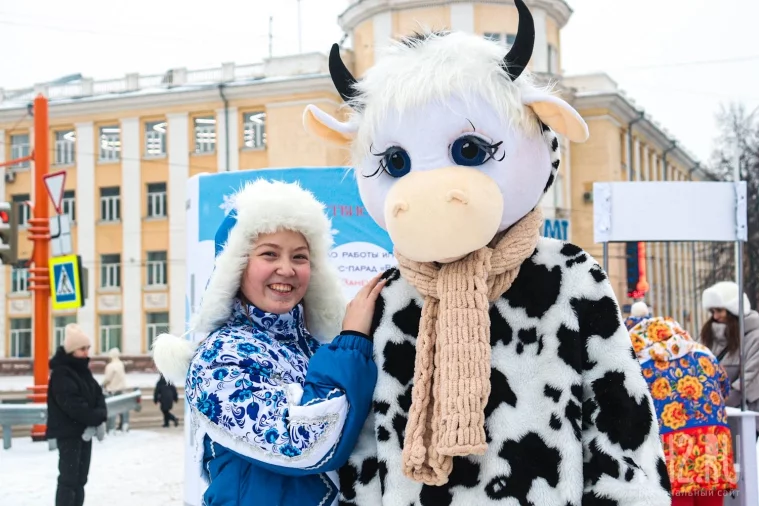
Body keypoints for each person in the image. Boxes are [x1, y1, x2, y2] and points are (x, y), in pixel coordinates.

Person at [302, 1, 671, 503]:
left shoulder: (569, 276)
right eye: (396, 162)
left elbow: (620, 421)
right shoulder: (390, 296)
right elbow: (368, 438)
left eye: (470, 151)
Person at [152, 179, 382, 506]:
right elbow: (304, 441)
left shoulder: (316, 348)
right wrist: (353, 342)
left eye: (300, 257)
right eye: (269, 254)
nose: (286, 269)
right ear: (237, 264)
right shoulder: (217, 358)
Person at [627, 316, 737, 505]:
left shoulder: (640, 364)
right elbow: (725, 388)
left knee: (679, 497)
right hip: (714, 439)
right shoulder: (703, 352)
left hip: (674, 444)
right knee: (709, 498)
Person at [46, 323, 108, 506]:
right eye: (83, 349)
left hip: (84, 433)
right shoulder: (61, 373)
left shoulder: (83, 371)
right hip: (69, 434)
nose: (87, 352)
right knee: (69, 480)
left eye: (88, 348)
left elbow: (98, 395)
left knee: (81, 480)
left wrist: (99, 414)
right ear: (72, 350)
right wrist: (97, 417)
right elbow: (73, 405)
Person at [700, 281, 759, 410]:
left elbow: (749, 381)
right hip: (712, 417)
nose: (715, 316)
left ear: (735, 309)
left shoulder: (755, 338)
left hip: (745, 419)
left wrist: (709, 405)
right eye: (712, 311)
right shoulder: (708, 338)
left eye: (720, 310)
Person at [102, 347, 128, 430]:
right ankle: (124, 425)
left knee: (112, 409)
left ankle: (111, 427)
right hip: (121, 389)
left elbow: (108, 379)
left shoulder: (110, 366)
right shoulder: (121, 364)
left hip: (112, 390)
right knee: (122, 407)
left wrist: (102, 385)